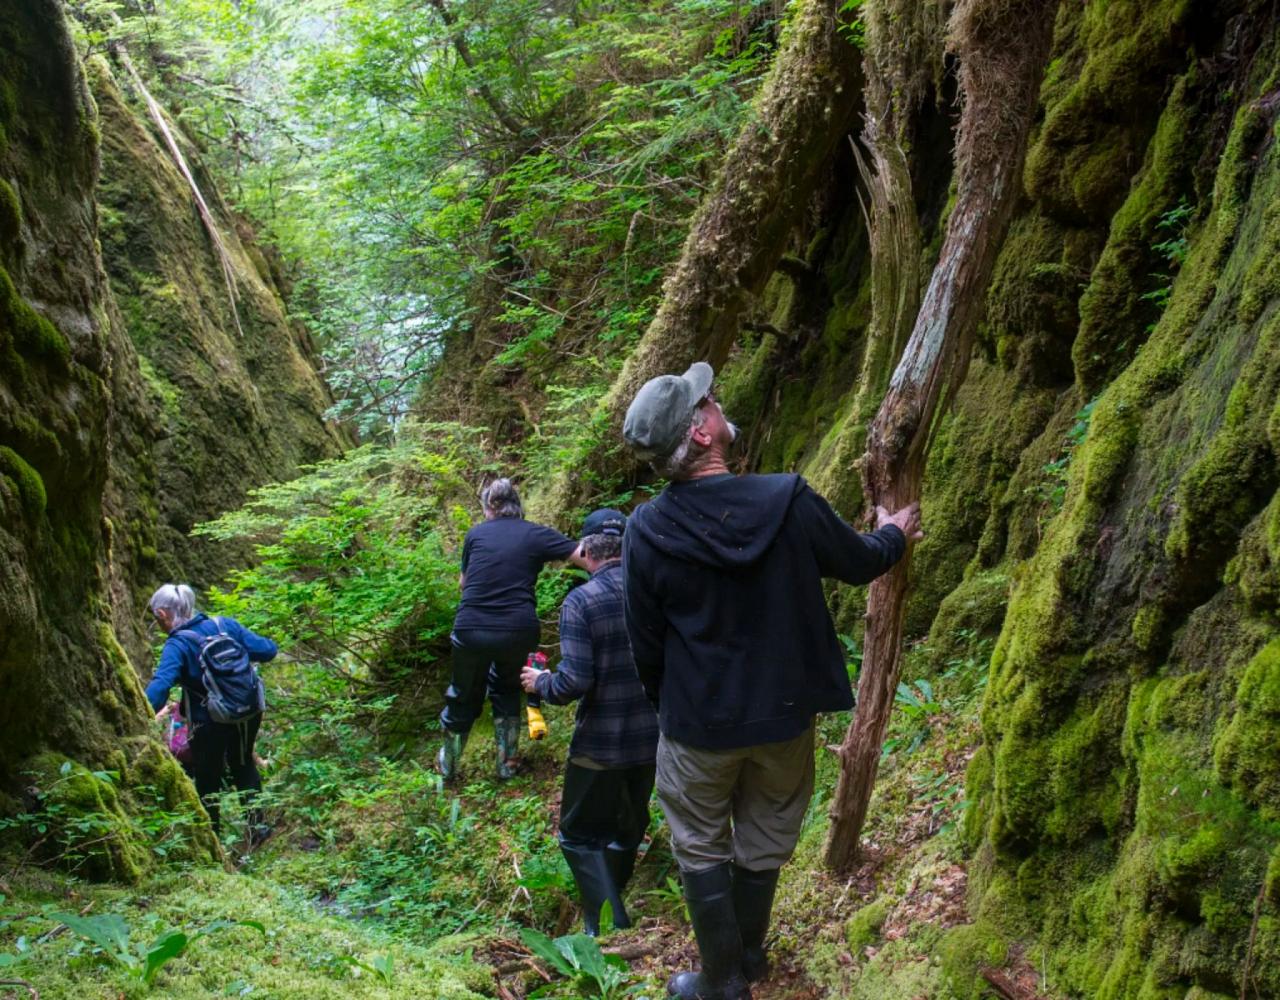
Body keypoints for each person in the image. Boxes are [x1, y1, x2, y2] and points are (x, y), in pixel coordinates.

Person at [621, 362, 922, 1000]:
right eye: (707, 400)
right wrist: (894, 535)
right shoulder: (787, 499)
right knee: (763, 838)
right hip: (784, 717)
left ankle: (723, 980)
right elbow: (859, 562)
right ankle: (749, 959)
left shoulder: (645, 530)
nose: (716, 400)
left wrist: (666, 705)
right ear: (701, 432)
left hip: (697, 723)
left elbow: (645, 641)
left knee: (699, 846)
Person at [520, 508, 658, 936]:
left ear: (585, 550)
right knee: (628, 827)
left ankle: (607, 922)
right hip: (653, 737)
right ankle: (609, 915)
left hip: (600, 743)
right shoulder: (654, 591)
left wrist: (541, 682)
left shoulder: (581, 601)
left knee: (578, 835)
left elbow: (574, 682)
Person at [439, 478, 588, 780]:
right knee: (507, 688)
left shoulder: (475, 534)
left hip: (472, 627)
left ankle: (448, 767)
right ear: (517, 505)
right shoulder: (534, 533)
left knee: (463, 693)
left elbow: (463, 584)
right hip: (517, 629)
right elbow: (583, 554)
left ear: (490, 507)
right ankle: (506, 765)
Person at [144, 583, 278, 837]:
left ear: (162, 614)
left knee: (208, 777)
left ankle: (213, 841)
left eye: (156, 618)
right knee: (243, 763)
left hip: (209, 721)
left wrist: (142, 713)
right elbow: (268, 650)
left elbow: (161, 685)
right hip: (248, 711)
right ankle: (258, 830)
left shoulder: (177, 644)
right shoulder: (224, 625)